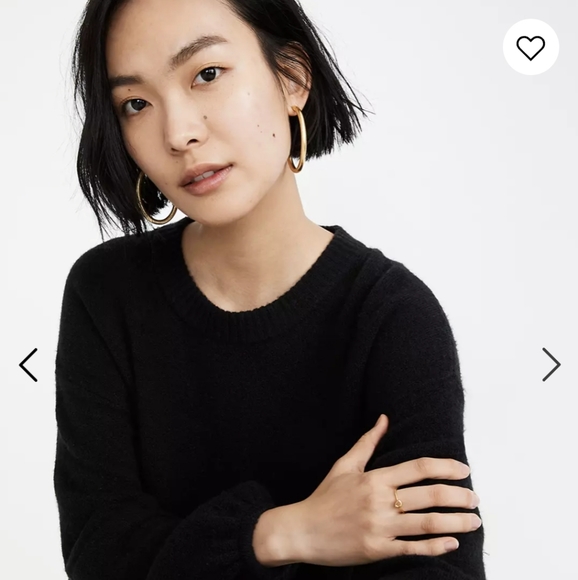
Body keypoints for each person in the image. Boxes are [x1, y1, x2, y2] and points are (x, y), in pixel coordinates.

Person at [53, 0, 486, 578]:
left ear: (292, 79)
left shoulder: (393, 316)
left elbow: (439, 566)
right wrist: (282, 533)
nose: (178, 133)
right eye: (136, 103)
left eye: (207, 74)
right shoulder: (106, 294)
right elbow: (99, 555)